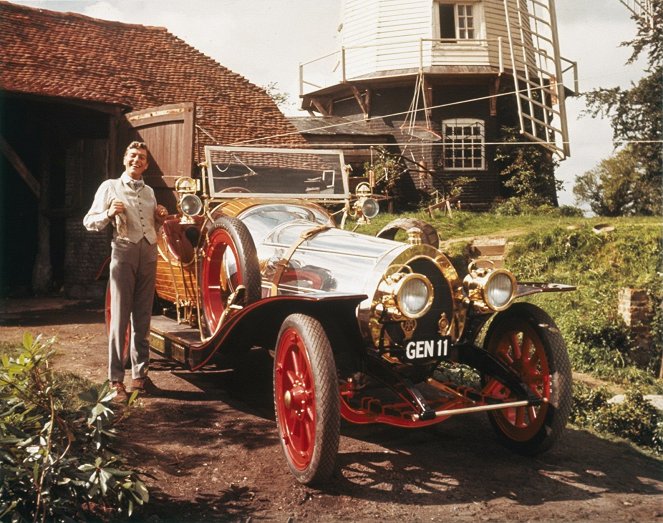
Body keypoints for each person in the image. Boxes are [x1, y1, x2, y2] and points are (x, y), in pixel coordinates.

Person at [84, 141, 168, 401]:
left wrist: (160, 217)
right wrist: (109, 212)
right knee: (120, 318)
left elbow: (151, 224)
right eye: (133, 156)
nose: (137, 160)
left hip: (149, 252)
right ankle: (116, 379)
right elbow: (90, 222)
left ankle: (140, 377)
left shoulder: (150, 191)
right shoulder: (110, 186)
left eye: (142, 157)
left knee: (143, 318)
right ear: (125, 159)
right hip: (123, 251)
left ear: (146, 163)